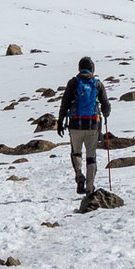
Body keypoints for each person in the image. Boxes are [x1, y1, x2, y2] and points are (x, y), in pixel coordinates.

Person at [55, 57, 111, 197]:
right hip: (92, 125)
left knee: (76, 153)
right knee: (91, 157)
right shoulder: (97, 84)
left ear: (79, 68)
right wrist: (105, 114)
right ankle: (89, 188)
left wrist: (60, 121)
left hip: (75, 125)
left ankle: (80, 177)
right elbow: (106, 105)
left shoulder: (73, 82)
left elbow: (65, 103)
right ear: (92, 68)